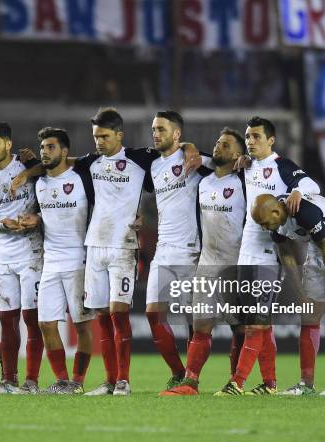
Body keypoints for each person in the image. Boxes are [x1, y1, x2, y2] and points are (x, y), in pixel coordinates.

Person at [12, 108, 202, 395]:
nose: (98, 142)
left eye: (104, 136)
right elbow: (62, 163)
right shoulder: (91, 163)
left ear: (119, 135)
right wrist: (28, 171)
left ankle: (124, 380)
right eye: (95, 137)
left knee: (119, 314)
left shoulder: (140, 159)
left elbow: (175, 149)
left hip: (123, 247)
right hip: (94, 247)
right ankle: (110, 381)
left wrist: (190, 147)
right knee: (101, 316)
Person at [215, 116, 321, 396]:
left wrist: (297, 191)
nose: (250, 141)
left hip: (268, 254)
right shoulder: (248, 166)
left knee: (255, 323)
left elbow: (312, 185)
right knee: (260, 323)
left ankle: (236, 383)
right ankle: (269, 383)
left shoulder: (281, 166)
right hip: (246, 252)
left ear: (270, 140)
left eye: (256, 137)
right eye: (248, 137)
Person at [160, 127, 247, 396]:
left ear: (238, 154)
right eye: (218, 142)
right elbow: (189, 148)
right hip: (207, 264)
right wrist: (190, 147)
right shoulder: (203, 179)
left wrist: (250, 163)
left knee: (241, 328)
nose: (219, 146)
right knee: (200, 327)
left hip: (237, 265)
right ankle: (191, 382)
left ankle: (236, 381)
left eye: (226, 144)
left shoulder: (246, 181)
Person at [251, 193, 325, 396]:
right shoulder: (275, 218)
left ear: (277, 212)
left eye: (264, 223)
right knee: (309, 315)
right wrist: (301, 293)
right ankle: (306, 384)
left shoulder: (304, 212)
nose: (263, 227)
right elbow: (285, 254)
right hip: (317, 246)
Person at [0, 120, 44, 395]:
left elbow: (54, 182)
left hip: (31, 252)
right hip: (3, 254)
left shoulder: (28, 165)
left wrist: (37, 218)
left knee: (31, 318)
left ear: (8, 144)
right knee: (7, 320)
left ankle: (32, 381)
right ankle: (9, 380)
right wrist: (3, 223)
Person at [143, 111, 212, 390]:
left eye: (161, 129)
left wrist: (191, 148)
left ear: (177, 134)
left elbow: (225, 167)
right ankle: (178, 371)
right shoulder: (153, 166)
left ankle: (191, 379)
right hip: (163, 249)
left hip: (191, 250)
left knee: (191, 320)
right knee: (152, 313)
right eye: (153, 129)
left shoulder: (196, 160)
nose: (155, 134)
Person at [27, 127, 96, 394]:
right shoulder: (40, 183)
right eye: (42, 147)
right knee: (46, 323)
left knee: (81, 325)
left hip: (79, 260)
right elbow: (42, 214)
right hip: (51, 261)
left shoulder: (82, 177)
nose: (45, 151)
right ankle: (62, 381)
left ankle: (78, 382)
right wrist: (36, 219)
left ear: (65, 151)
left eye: (51, 147)